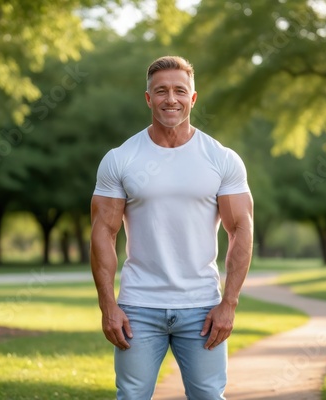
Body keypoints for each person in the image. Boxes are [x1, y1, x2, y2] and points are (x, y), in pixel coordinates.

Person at [90, 55, 253, 400]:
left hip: (202, 309)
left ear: (193, 98)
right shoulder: (121, 158)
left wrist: (229, 304)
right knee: (131, 396)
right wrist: (108, 306)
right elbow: (104, 233)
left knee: (208, 395)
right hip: (138, 307)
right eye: (161, 91)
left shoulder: (221, 159)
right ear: (148, 98)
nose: (171, 99)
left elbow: (240, 229)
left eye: (180, 90)